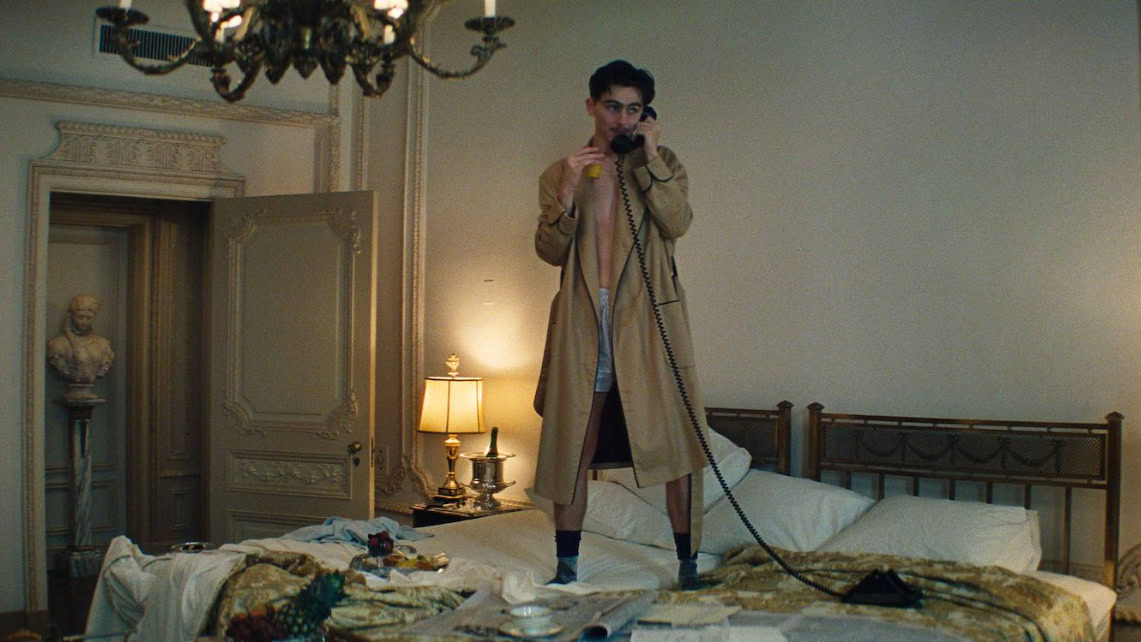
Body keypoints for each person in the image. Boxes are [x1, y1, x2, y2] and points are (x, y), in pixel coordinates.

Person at [531, 60, 710, 590]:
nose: (623, 119)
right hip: (584, 322)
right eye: (613, 107)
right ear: (592, 106)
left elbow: (677, 222)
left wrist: (649, 159)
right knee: (574, 444)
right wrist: (567, 191)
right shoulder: (561, 172)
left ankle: (687, 565)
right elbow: (549, 251)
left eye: (634, 109)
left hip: (649, 322)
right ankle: (567, 566)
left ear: (646, 114)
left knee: (677, 447)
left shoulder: (664, 163)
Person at [47, 294, 115, 384]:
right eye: (80, 317)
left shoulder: (103, 344)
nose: (84, 322)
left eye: (89, 318)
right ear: (71, 316)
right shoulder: (57, 344)